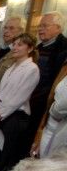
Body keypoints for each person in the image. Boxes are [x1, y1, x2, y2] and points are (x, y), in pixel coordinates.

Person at [0, 33, 40, 171]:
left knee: (4, 156)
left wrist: (0, 114)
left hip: (15, 117)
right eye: (14, 44)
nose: (15, 47)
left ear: (30, 48)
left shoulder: (32, 69)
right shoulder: (10, 68)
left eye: (20, 44)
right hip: (0, 114)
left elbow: (19, 97)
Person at [28, 12, 67, 151]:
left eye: (45, 26)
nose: (40, 29)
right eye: (39, 26)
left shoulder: (64, 49)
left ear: (58, 27)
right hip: (27, 104)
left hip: (44, 108)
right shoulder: (38, 48)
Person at [0, 17, 24, 88]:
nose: (6, 31)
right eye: (5, 28)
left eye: (11, 28)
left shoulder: (18, 54)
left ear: (20, 31)